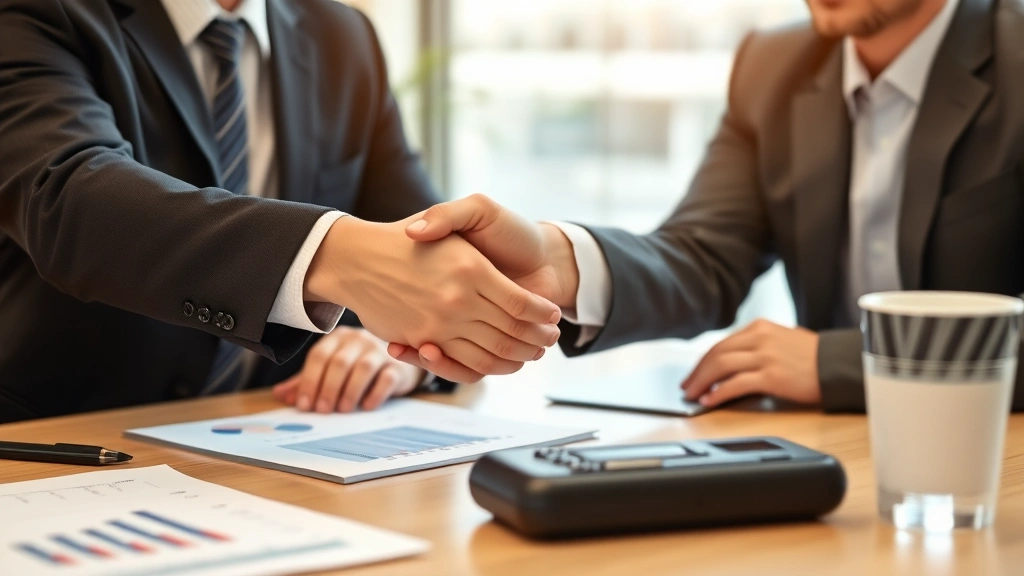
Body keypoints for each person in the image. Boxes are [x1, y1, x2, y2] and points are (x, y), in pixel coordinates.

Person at [389, 0, 1024, 412]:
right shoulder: (775, 64)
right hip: (838, 454)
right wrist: (559, 264)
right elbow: (705, 257)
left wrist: (843, 365)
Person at [0, 0, 561, 423]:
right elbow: (65, 197)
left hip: (282, 437)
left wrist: (398, 351)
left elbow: (419, 238)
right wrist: (333, 253)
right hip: (57, 447)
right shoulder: (37, 12)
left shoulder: (339, 34)